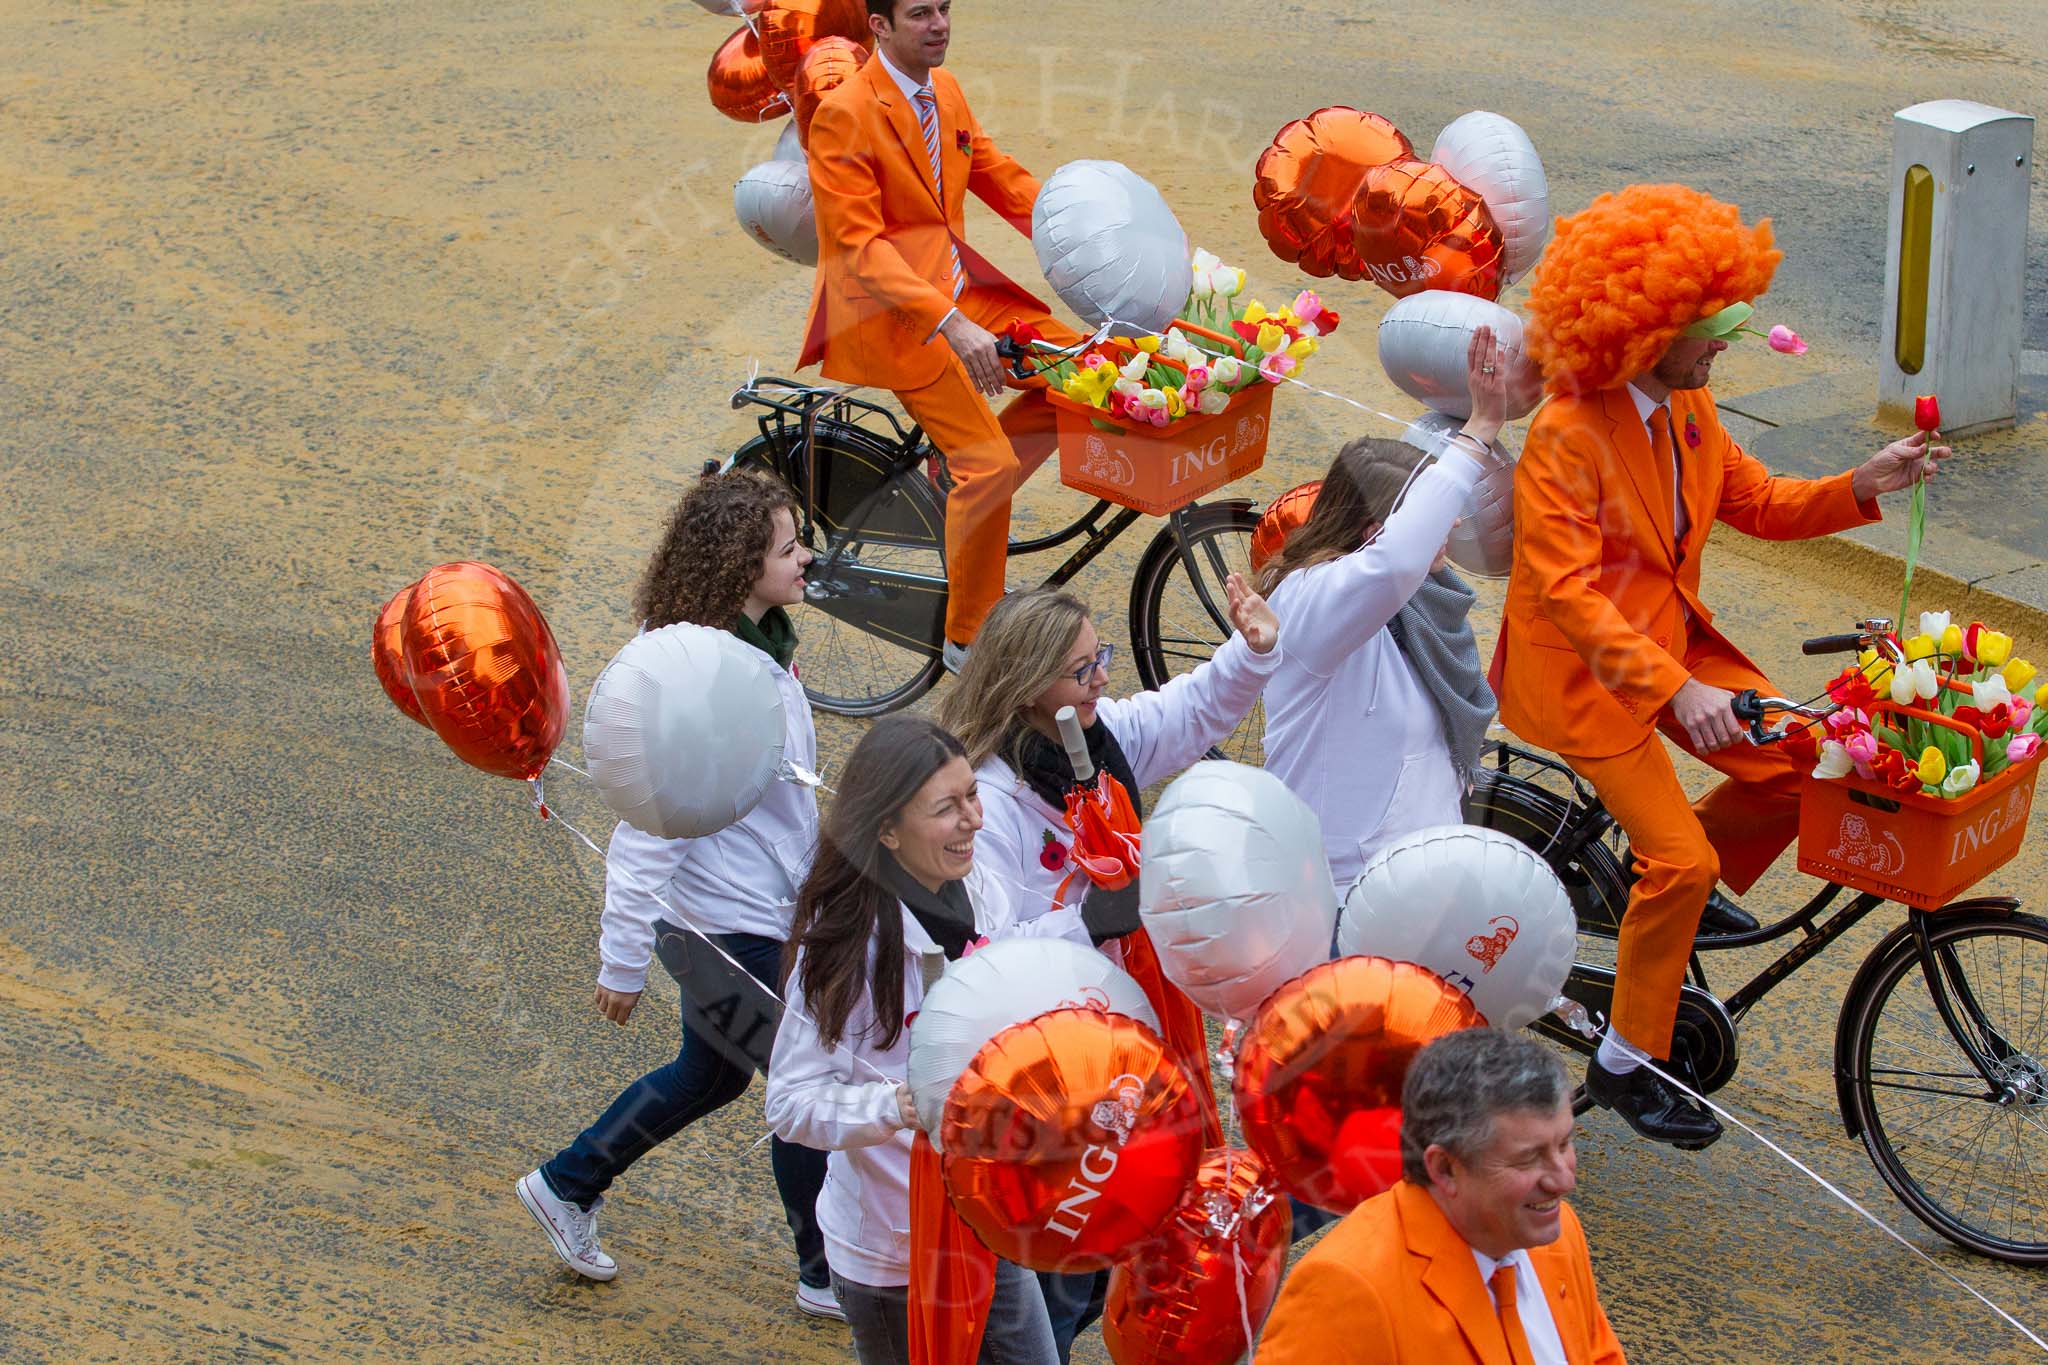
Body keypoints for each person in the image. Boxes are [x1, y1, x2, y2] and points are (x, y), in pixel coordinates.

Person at [1494, 183, 1951, 1149]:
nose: (1725, 344)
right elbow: (1571, 598)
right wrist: (1680, 690)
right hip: (1587, 679)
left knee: (1811, 761)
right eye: (1710, 327)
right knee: (1680, 859)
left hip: (1671, 647)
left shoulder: (1692, 406)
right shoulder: (1564, 434)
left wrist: (1859, 485)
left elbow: (1760, 500)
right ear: (1647, 330)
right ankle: (1625, 1062)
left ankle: (1676, 914)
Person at [516, 469, 835, 1319]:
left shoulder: (757, 650)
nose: (806, 555)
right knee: (805, 1088)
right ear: (739, 570)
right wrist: (620, 959)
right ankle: (826, 1271)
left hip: (750, 914)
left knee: (712, 1074)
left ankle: (567, 1181)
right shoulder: (706, 683)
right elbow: (646, 827)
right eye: (788, 546)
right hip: (725, 927)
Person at [934, 581, 1280, 1359]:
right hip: (1061, 1075)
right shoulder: (990, 800)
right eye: (1082, 669)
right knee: (1073, 1264)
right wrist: (1084, 925)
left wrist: (1254, 650)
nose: (1101, 681)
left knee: (1106, 1254)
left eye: (1101, 660)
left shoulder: (1099, 740)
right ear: (1026, 687)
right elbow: (986, 948)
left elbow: (1189, 711)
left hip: (1130, 1043)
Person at [765, 715, 1089, 1364]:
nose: (975, 817)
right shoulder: (844, 949)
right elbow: (790, 1102)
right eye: (948, 806)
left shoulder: (978, 887)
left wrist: (1092, 923)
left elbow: (1011, 961)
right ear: (887, 829)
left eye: (973, 793)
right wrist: (894, 1107)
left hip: (988, 1214)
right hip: (892, 1257)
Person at [800, 0, 1084, 671]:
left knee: (1082, 367)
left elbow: (999, 176)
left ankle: (959, 484)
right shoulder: (844, 116)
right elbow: (861, 249)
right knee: (989, 464)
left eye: (945, 8)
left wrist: (1082, 236)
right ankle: (968, 639)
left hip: (962, 294)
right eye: (920, 14)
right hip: (894, 319)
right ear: (878, 26)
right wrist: (950, 323)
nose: (940, 24)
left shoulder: (944, 90)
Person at [1256, 328, 1512, 893]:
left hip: (1412, 880)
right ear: (1377, 536)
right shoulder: (1318, 603)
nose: (1454, 523)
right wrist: (1480, 431)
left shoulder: (1422, 600)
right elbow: (1399, 559)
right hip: (1340, 886)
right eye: (1431, 515)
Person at [1258, 1028, 1627, 1364]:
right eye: (1528, 1158)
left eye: (1564, 1144)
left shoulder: (1556, 1231)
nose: (1564, 1180)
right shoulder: (1343, 1295)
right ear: (1445, 1168)